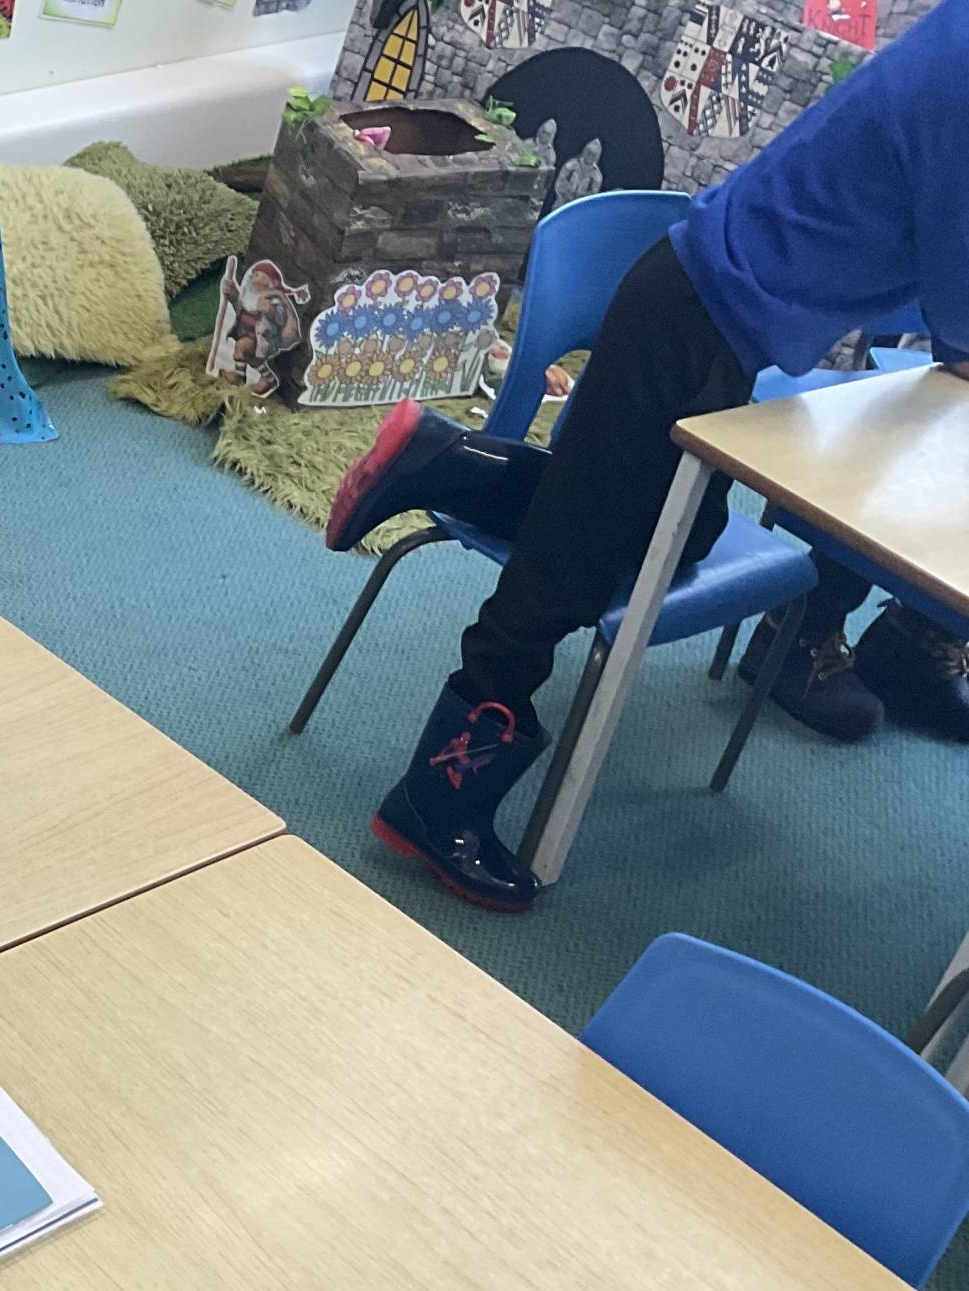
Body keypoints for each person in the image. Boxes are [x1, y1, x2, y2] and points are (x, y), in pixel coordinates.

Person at [324, 0, 968, 910]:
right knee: (563, 578)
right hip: (697, 321)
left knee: (680, 532)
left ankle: (447, 464)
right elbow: (959, 309)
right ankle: (434, 803)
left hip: (709, 312)